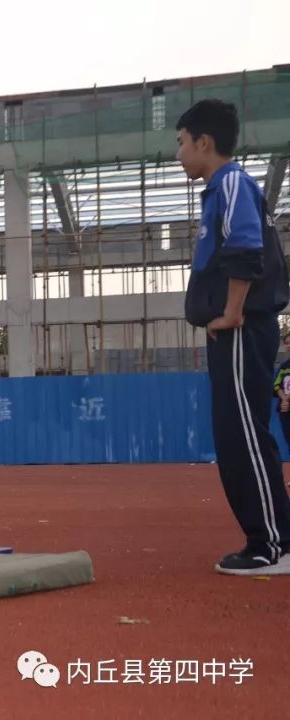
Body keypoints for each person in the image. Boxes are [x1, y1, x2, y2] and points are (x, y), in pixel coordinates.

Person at [177, 98, 290, 575]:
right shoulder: (222, 189)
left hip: (242, 329)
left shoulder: (233, 185)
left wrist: (232, 313)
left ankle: (273, 545)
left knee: (245, 434)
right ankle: (265, 539)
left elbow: (245, 248)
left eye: (181, 144)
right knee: (234, 435)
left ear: (205, 142)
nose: (178, 154)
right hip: (233, 332)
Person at [273, 333, 290, 451]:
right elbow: (276, 385)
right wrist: (284, 399)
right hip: (285, 409)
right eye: (286, 343)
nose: (288, 345)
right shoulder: (284, 366)